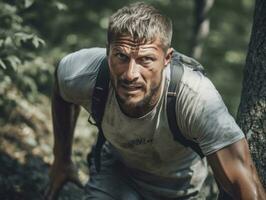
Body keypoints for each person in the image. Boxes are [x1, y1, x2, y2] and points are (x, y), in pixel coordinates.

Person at [45, 2, 266, 200]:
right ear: (107, 51)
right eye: (121, 56)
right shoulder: (85, 73)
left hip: (185, 188)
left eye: (146, 59)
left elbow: (244, 182)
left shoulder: (195, 97)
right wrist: (61, 159)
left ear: (167, 59)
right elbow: (61, 88)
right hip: (118, 174)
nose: (131, 74)